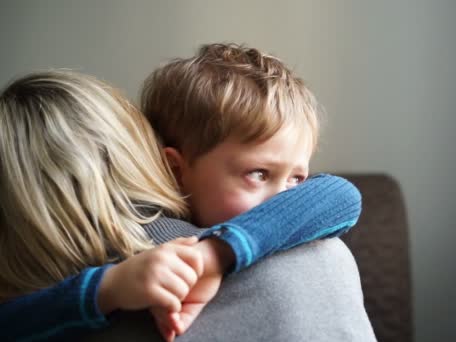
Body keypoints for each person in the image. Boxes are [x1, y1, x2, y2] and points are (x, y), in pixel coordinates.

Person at [0, 47, 375, 341]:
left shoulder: (271, 233)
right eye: (258, 174)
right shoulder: (137, 264)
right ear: (175, 169)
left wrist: (214, 253)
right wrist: (108, 288)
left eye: (297, 179)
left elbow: (340, 194)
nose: (284, 198)